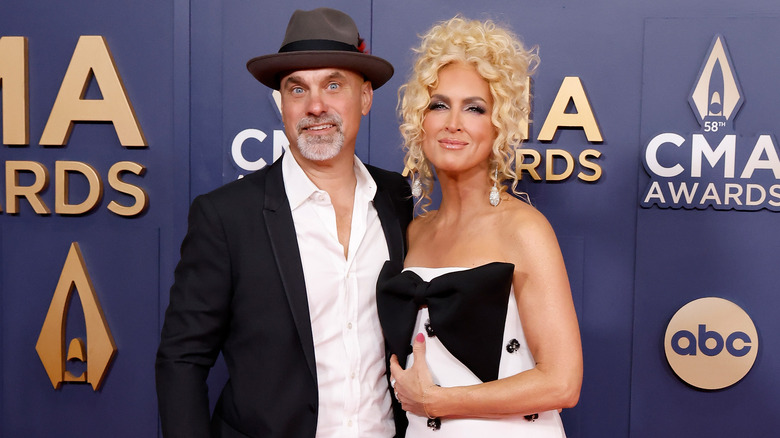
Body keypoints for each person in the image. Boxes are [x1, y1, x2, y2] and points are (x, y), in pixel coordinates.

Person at [155, 8, 413, 438]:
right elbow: (181, 360)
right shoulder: (226, 216)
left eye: (334, 84)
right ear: (282, 103)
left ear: (365, 97)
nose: (316, 106)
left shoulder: (397, 199)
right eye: (298, 88)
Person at [376, 16, 582, 436]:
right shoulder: (414, 232)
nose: (453, 123)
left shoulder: (524, 229)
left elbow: (563, 382)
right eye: (439, 105)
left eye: (474, 108)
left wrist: (440, 401)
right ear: (421, 121)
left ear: (498, 126)